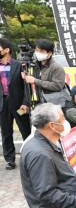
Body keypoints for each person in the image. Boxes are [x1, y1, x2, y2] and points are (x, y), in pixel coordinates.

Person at [20, 103, 76, 208]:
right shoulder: (40, 154)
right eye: (63, 118)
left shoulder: (45, 142)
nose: (66, 121)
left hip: (61, 207)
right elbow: (48, 195)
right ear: (52, 125)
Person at [0, 37, 31, 170]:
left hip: (19, 105)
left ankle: (30, 156)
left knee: (25, 131)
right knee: (6, 133)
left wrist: (26, 103)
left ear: (6, 50)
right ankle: (10, 160)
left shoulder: (19, 65)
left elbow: (26, 87)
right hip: (2, 104)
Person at [21, 39, 67, 104]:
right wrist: (27, 76)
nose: (38, 53)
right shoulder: (35, 65)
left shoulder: (56, 67)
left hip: (52, 103)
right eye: (37, 50)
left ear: (50, 53)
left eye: (41, 51)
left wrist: (35, 81)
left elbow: (57, 86)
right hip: (38, 102)